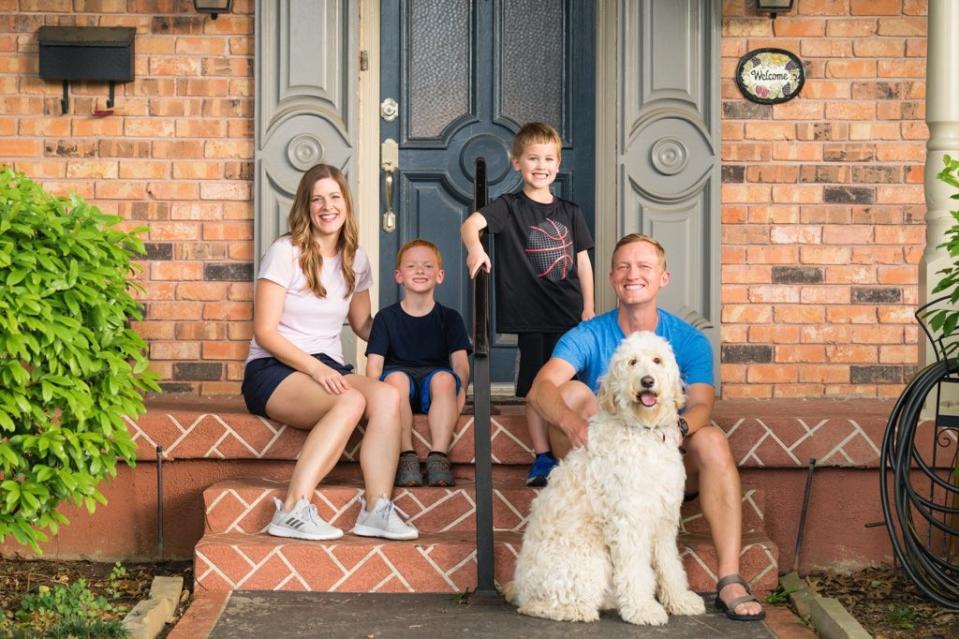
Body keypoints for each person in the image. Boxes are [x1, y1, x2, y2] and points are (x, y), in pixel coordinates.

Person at [527, 233, 765, 622]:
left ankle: (729, 577)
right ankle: (623, 588)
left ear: (663, 278)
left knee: (713, 442)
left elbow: (702, 402)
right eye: (623, 266)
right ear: (610, 278)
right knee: (569, 392)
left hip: (665, 448)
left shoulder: (686, 339)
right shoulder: (588, 334)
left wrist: (679, 429)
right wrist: (572, 425)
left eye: (644, 267)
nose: (632, 274)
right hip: (603, 460)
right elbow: (541, 388)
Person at [241, 163, 417, 542]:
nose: (327, 206)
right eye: (317, 199)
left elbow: (363, 325)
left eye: (334, 197)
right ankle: (292, 508)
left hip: (326, 367)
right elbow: (265, 331)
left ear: (346, 205)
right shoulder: (285, 252)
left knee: (387, 394)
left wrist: (411, 335)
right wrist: (316, 370)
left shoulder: (356, 259)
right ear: (306, 207)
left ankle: (377, 508)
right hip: (274, 368)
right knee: (350, 401)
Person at [461, 121, 595, 487]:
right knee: (537, 388)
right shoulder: (509, 207)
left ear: (558, 164)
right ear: (517, 162)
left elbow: (582, 261)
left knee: (572, 385)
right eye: (533, 158)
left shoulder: (570, 211)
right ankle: (542, 456)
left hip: (569, 314)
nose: (541, 165)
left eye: (548, 158)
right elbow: (472, 224)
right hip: (532, 316)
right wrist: (476, 248)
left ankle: (576, 451)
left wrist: (588, 308)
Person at [365, 239, 472, 488]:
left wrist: (462, 390)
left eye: (427, 266)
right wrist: (374, 396)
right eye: (412, 266)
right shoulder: (386, 318)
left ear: (440, 275)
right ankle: (406, 455)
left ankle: (438, 455)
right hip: (399, 387)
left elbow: (460, 365)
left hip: (435, 384)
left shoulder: (450, 318)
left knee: (446, 379)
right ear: (399, 276)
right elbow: (374, 366)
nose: (420, 271)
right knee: (395, 380)